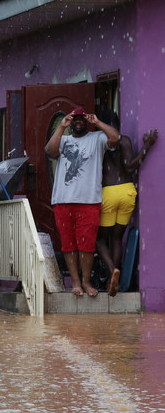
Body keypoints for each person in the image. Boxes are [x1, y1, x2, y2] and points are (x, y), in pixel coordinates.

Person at [45, 108, 119, 297]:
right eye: (74, 118)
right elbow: (50, 151)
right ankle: (75, 283)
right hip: (63, 200)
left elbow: (115, 138)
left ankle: (86, 282)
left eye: (81, 118)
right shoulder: (64, 140)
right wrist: (62, 126)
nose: (78, 121)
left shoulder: (97, 138)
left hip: (89, 201)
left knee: (87, 244)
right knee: (68, 244)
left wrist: (97, 122)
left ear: (86, 120)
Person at [95, 112, 157, 296]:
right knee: (116, 238)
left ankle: (113, 269)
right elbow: (130, 167)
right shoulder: (124, 140)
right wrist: (147, 145)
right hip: (128, 192)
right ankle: (116, 280)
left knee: (100, 239)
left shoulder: (98, 143)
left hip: (108, 193)